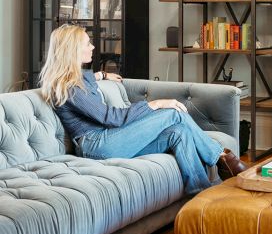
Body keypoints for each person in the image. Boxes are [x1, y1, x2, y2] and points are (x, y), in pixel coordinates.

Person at [39, 24, 247, 195]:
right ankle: (222, 157)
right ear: (72, 49)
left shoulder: (78, 79)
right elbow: (110, 117)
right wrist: (153, 104)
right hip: (97, 145)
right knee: (173, 113)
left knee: (179, 132)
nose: (93, 47)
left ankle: (201, 193)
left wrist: (102, 75)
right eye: (88, 43)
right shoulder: (68, 86)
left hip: (109, 139)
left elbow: (88, 84)